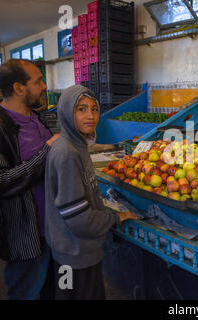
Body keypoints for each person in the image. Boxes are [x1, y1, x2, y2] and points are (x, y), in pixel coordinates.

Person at [44, 85, 137, 300]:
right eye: (81, 109)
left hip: (73, 252)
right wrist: (114, 218)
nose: (91, 116)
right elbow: (79, 219)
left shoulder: (77, 145)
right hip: (74, 257)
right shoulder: (67, 153)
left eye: (94, 109)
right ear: (67, 112)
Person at [0, 59, 59, 299]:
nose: (44, 86)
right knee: (26, 292)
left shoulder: (34, 117)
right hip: (25, 234)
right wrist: (48, 151)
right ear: (19, 88)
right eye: (38, 81)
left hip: (51, 229)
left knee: (52, 290)